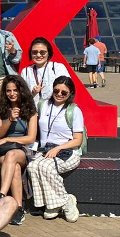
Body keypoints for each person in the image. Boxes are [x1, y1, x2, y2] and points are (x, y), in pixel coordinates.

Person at [28, 75, 84, 223]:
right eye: (56, 90)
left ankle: (65, 202)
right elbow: (26, 105)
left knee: (46, 167)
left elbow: (78, 140)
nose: (59, 94)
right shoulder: (43, 104)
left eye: (64, 92)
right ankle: (55, 203)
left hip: (68, 151)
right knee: (32, 166)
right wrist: (33, 93)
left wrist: (58, 148)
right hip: (46, 150)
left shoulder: (74, 110)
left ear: (70, 94)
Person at [0, 75, 38, 226]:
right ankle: (18, 208)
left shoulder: (29, 109)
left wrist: (8, 139)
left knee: (12, 156)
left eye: (15, 90)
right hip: (1, 151)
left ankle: (1, 195)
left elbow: (30, 138)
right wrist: (10, 120)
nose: (12, 93)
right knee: (15, 168)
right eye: (8, 90)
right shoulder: (0, 109)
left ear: (21, 91)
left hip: (22, 149)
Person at [19, 37, 70, 105]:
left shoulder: (58, 68)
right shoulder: (25, 71)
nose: (38, 55)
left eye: (42, 52)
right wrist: (33, 93)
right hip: (33, 111)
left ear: (48, 53)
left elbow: (67, 89)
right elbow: (22, 96)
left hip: (53, 110)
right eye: (34, 52)